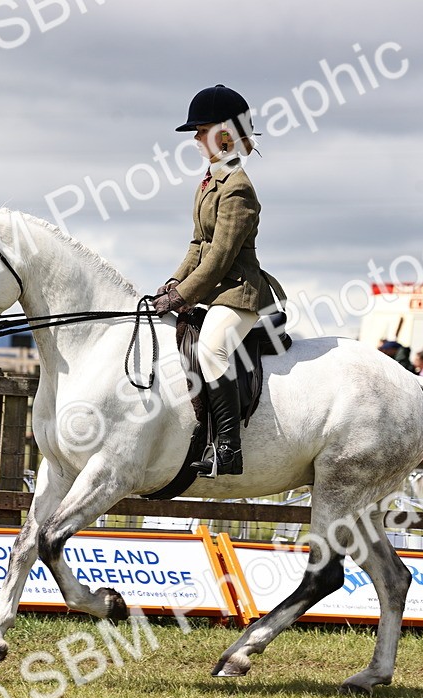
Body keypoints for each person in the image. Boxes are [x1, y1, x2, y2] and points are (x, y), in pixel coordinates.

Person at [150, 84, 284, 477]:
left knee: (211, 350)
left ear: (224, 134)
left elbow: (221, 257)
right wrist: (170, 285)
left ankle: (228, 447)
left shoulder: (238, 188)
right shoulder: (209, 182)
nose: (194, 139)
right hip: (213, 286)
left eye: (201, 130)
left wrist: (183, 296)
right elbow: (197, 245)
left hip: (239, 291)